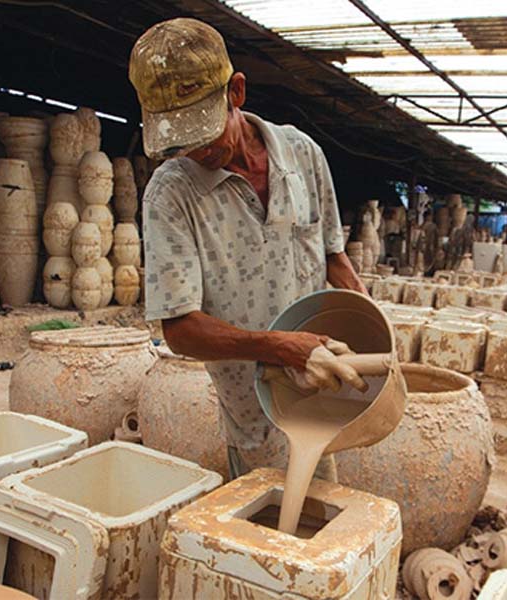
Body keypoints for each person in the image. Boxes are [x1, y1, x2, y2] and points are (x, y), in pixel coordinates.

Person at [128, 18, 367, 479]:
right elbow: (179, 329)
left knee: (321, 509)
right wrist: (279, 349)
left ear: (236, 92)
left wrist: (369, 322)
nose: (196, 150)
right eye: (181, 140)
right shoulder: (170, 195)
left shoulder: (302, 154)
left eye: (205, 132)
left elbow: (333, 255)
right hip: (252, 401)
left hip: (316, 379)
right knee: (265, 527)